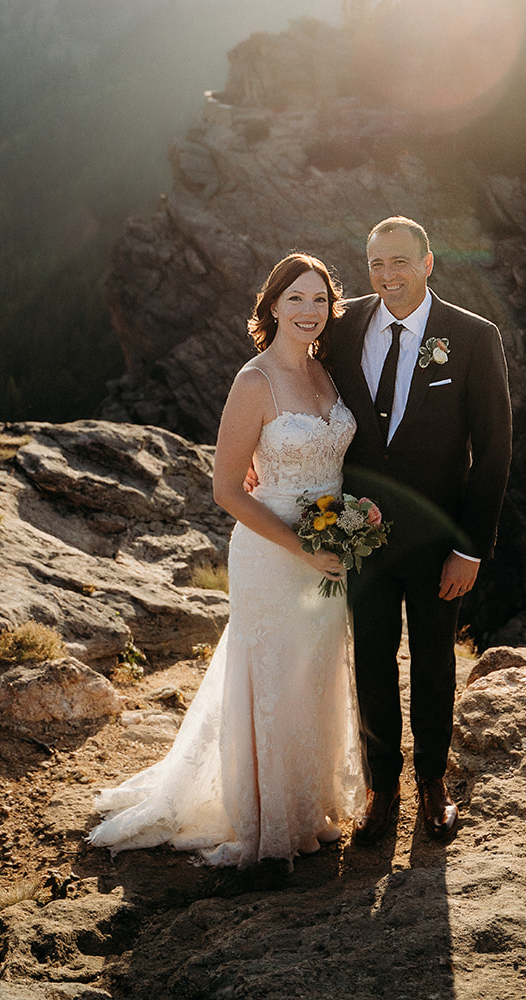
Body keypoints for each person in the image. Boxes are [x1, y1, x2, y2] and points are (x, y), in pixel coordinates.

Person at [88, 253, 365, 867]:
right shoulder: (254, 381)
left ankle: (308, 802)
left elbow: (331, 462)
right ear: (270, 306)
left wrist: (348, 521)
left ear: (331, 308)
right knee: (269, 676)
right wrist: (304, 547)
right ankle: (266, 817)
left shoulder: (328, 375)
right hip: (273, 554)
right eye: (295, 298)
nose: (308, 311)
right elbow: (227, 490)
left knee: (314, 673)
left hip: (328, 546)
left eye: (319, 299)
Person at [326, 216, 512, 844]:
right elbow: (286, 377)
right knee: (371, 661)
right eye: (376, 264)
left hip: (440, 541)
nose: (388, 276)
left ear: (429, 263)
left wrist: (470, 549)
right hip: (360, 534)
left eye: (400, 261)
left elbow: (493, 453)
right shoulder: (341, 324)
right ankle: (383, 790)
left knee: (435, 662)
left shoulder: (473, 336)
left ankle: (432, 783)